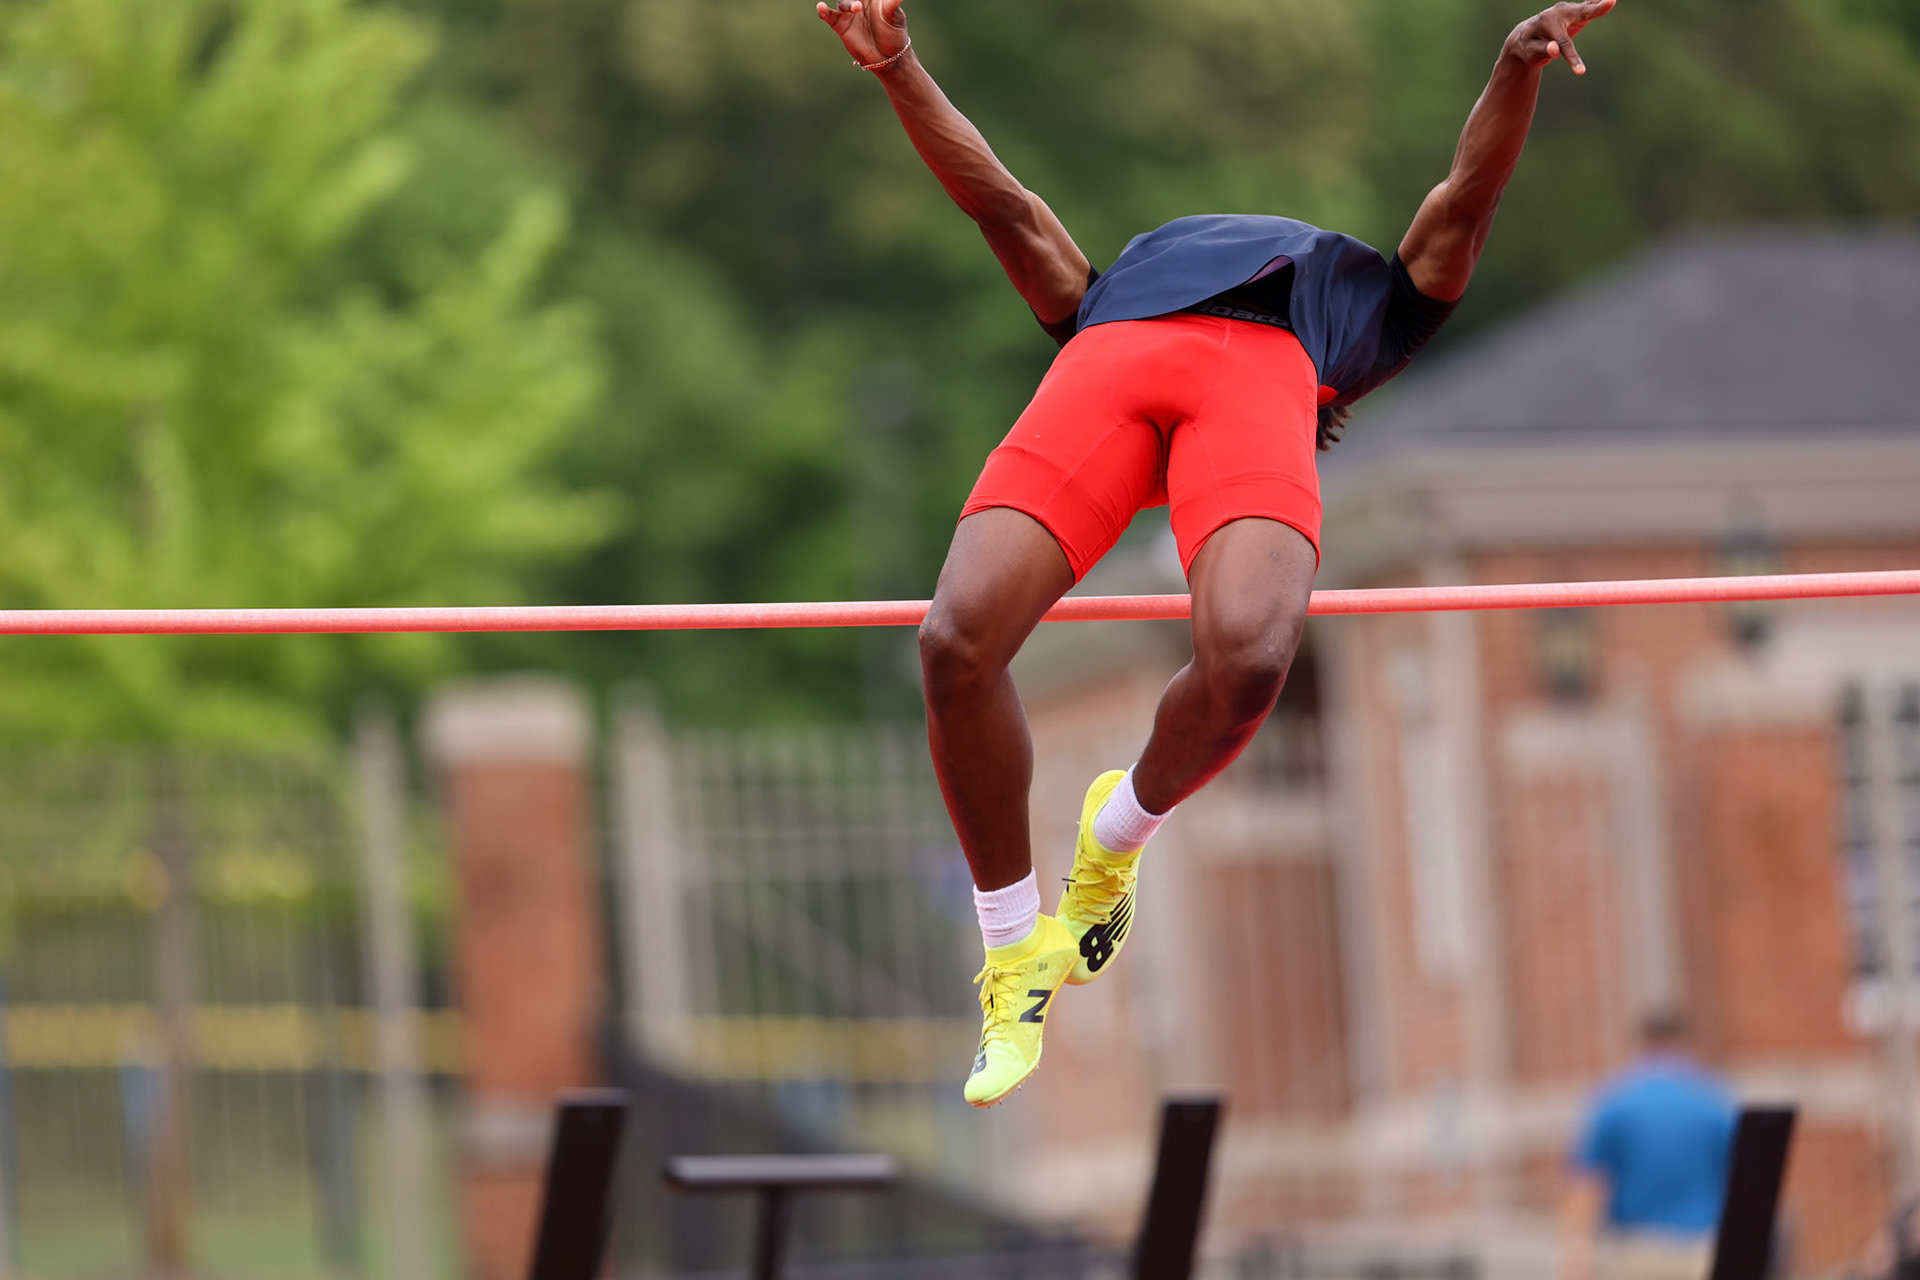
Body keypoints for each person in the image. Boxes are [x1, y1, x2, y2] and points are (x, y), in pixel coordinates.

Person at [816, 0, 1619, 1107]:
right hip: (1116, 363)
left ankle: (1114, 837)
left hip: (1260, 387)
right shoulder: (1104, 301)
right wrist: (899, 63)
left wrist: (1510, 73)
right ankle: (1013, 954)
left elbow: (1465, 200)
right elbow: (1001, 204)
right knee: (954, 640)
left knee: (1247, 656)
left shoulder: (1372, 322)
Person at [1560, 1012, 1739, 1280]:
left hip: (1637, 1253)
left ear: (1642, 1044)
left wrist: (1575, 1257)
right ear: (1685, 1043)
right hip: (1703, 1249)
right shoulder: (1714, 1099)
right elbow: (1743, 1179)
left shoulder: (1615, 1100)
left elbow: (1586, 1184)